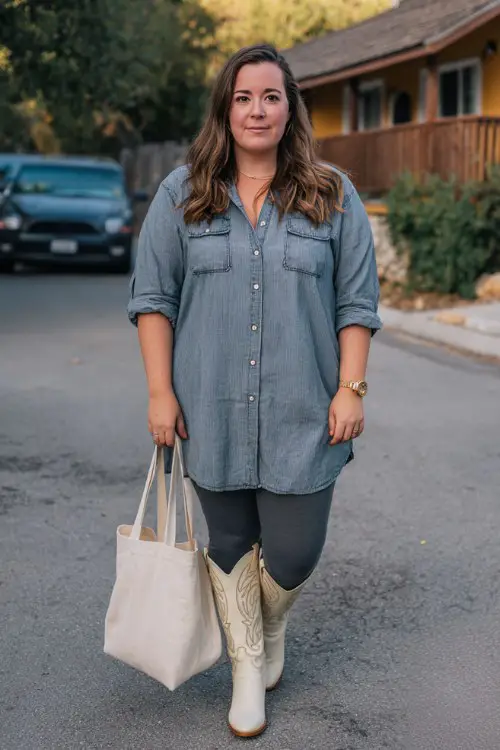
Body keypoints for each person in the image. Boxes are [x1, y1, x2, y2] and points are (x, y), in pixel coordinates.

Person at [127, 43, 382, 738]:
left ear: (290, 107)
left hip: (307, 410)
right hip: (209, 409)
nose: (257, 109)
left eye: (271, 96)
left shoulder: (332, 193)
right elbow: (154, 299)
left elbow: (356, 302)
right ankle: (247, 668)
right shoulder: (182, 194)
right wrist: (160, 393)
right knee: (231, 541)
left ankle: (266, 628)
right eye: (244, 97)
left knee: (295, 552)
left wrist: (351, 388)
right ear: (225, 109)